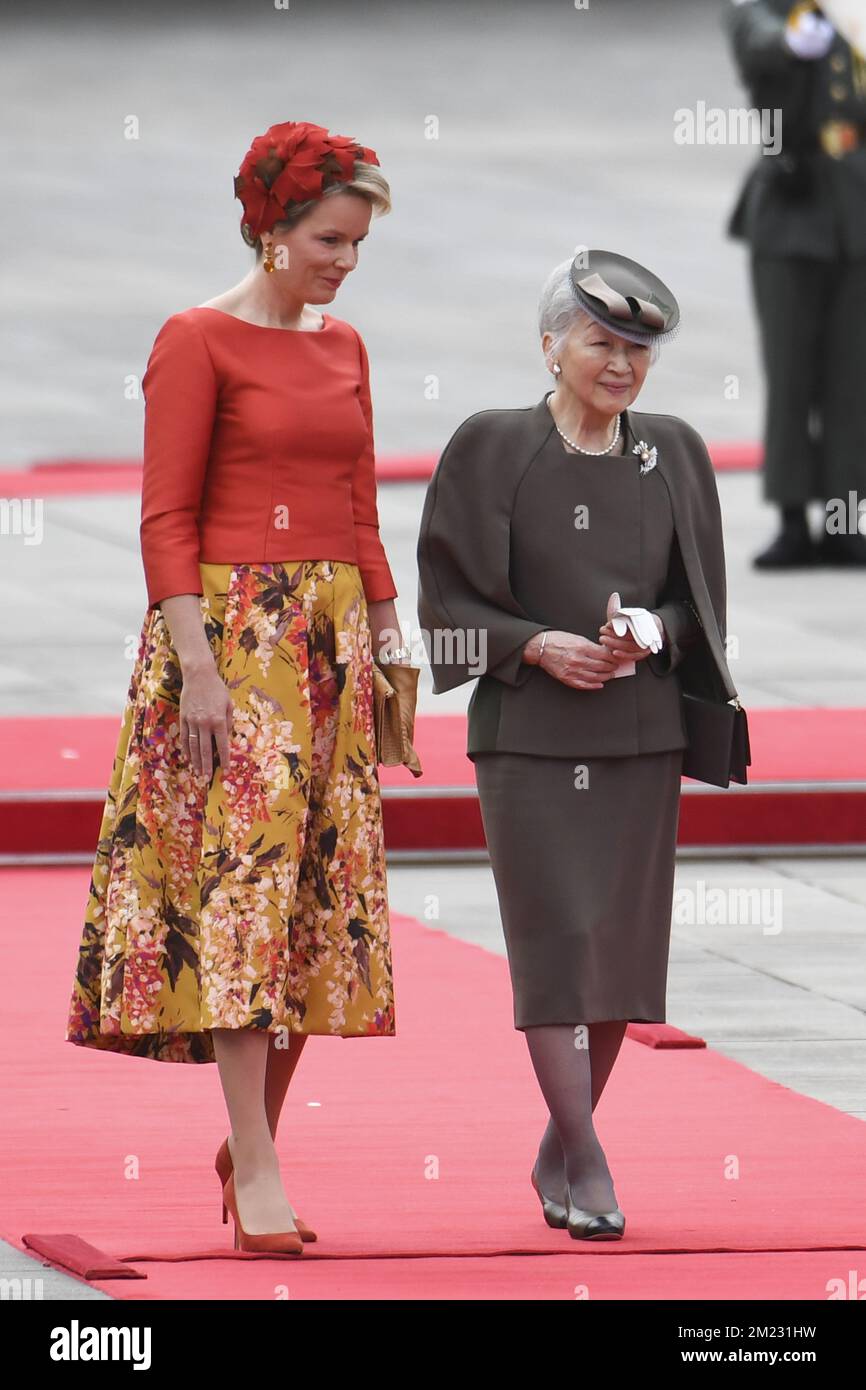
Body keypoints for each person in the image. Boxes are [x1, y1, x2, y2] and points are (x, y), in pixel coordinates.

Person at [65, 121, 410, 1255]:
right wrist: (199, 668)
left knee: (317, 901)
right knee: (244, 895)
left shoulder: (346, 347)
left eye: (355, 245)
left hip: (330, 648)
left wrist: (387, 623)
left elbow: (358, 503)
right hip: (231, 645)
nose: (343, 263)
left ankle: (247, 1136)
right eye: (327, 239)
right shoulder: (194, 339)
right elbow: (163, 515)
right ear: (269, 229)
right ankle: (257, 1163)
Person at [416, 249, 740, 1240]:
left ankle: (560, 1144)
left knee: (618, 963)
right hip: (529, 743)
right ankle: (587, 1153)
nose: (620, 363)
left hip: (638, 739)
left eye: (637, 349)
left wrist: (652, 634)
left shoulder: (672, 452)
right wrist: (533, 647)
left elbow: (702, 611)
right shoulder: (491, 445)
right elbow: (444, 614)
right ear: (550, 343)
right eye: (601, 341)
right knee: (557, 953)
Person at [725, 0, 866, 566]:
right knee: (790, 378)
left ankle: (844, 520)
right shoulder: (767, 10)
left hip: (857, 216)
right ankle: (791, 520)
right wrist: (792, 38)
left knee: (851, 380)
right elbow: (753, 43)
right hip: (790, 217)